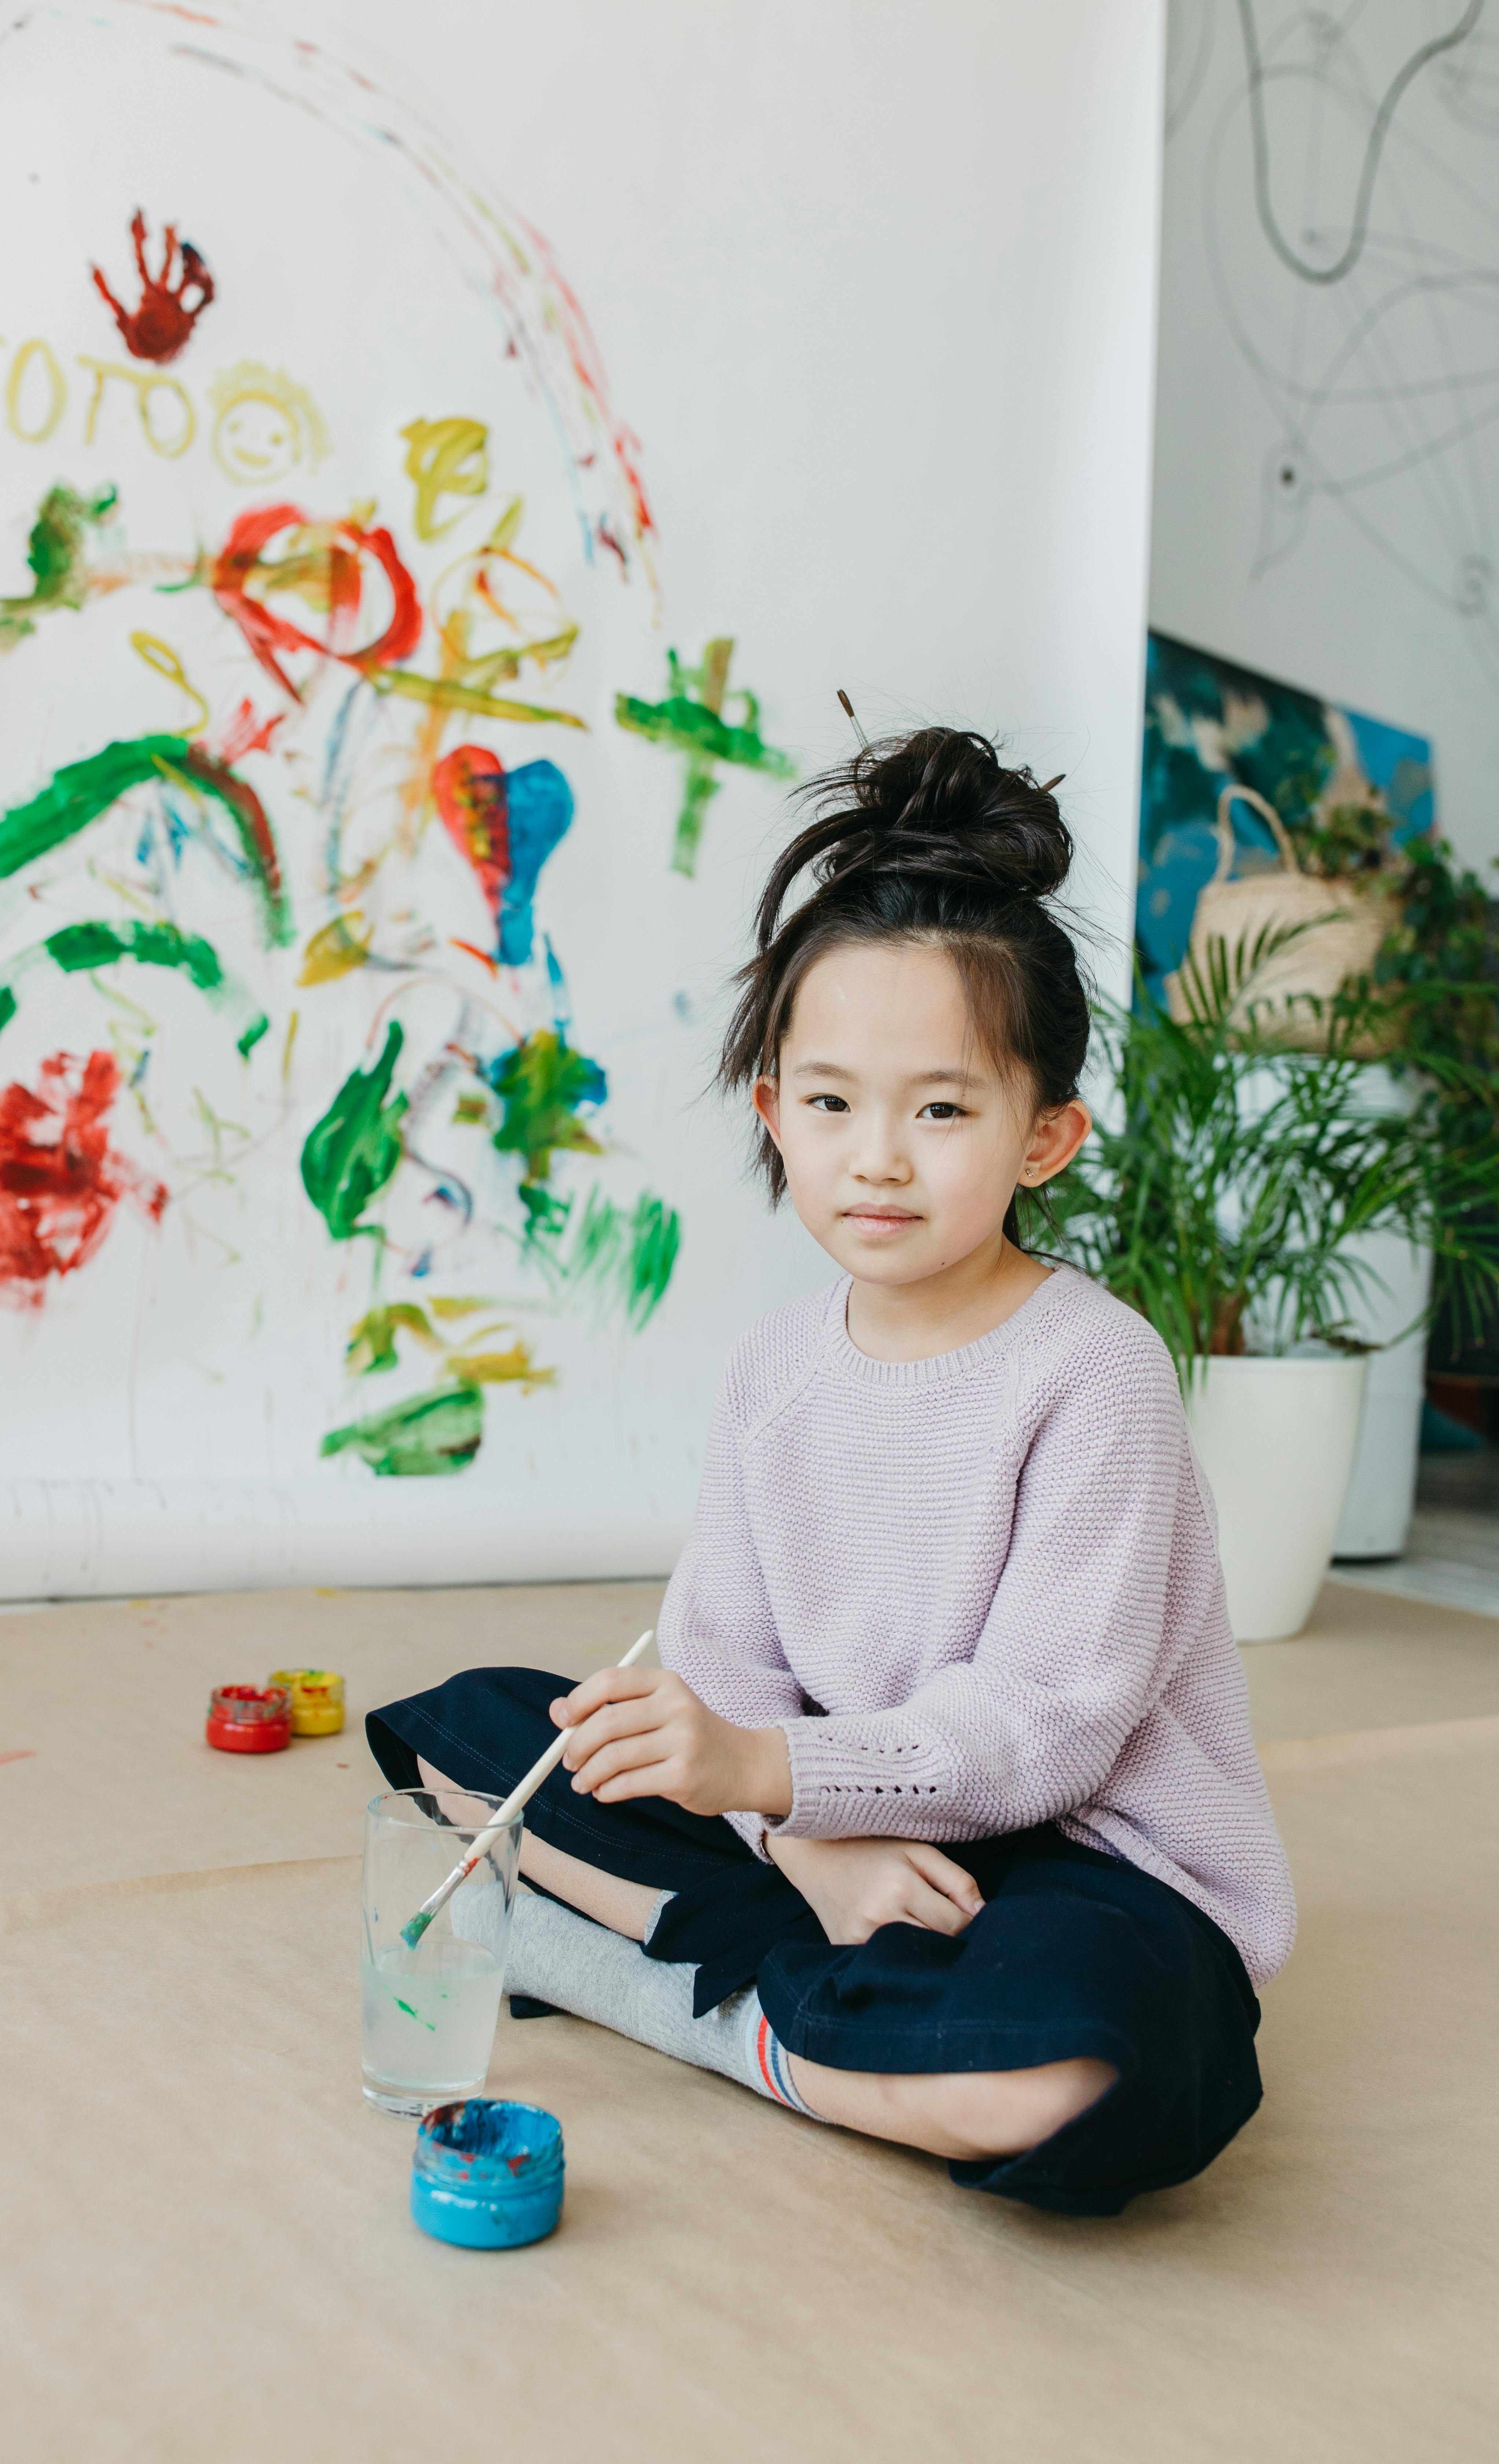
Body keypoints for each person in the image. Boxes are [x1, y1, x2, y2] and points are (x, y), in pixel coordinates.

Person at [368, 727, 1295, 2216]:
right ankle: (815, 1989)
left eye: (940, 1109)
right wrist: (804, 1846)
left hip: (1057, 1858)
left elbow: (1045, 1726)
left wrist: (772, 1779)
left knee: (1079, 2072)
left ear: (1044, 1133)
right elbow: (726, 1664)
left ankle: (716, 2019)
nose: (877, 1157)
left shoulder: (1095, 1370)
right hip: (815, 1821)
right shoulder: (773, 1367)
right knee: (459, 1743)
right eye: (829, 1103)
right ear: (770, 1113)